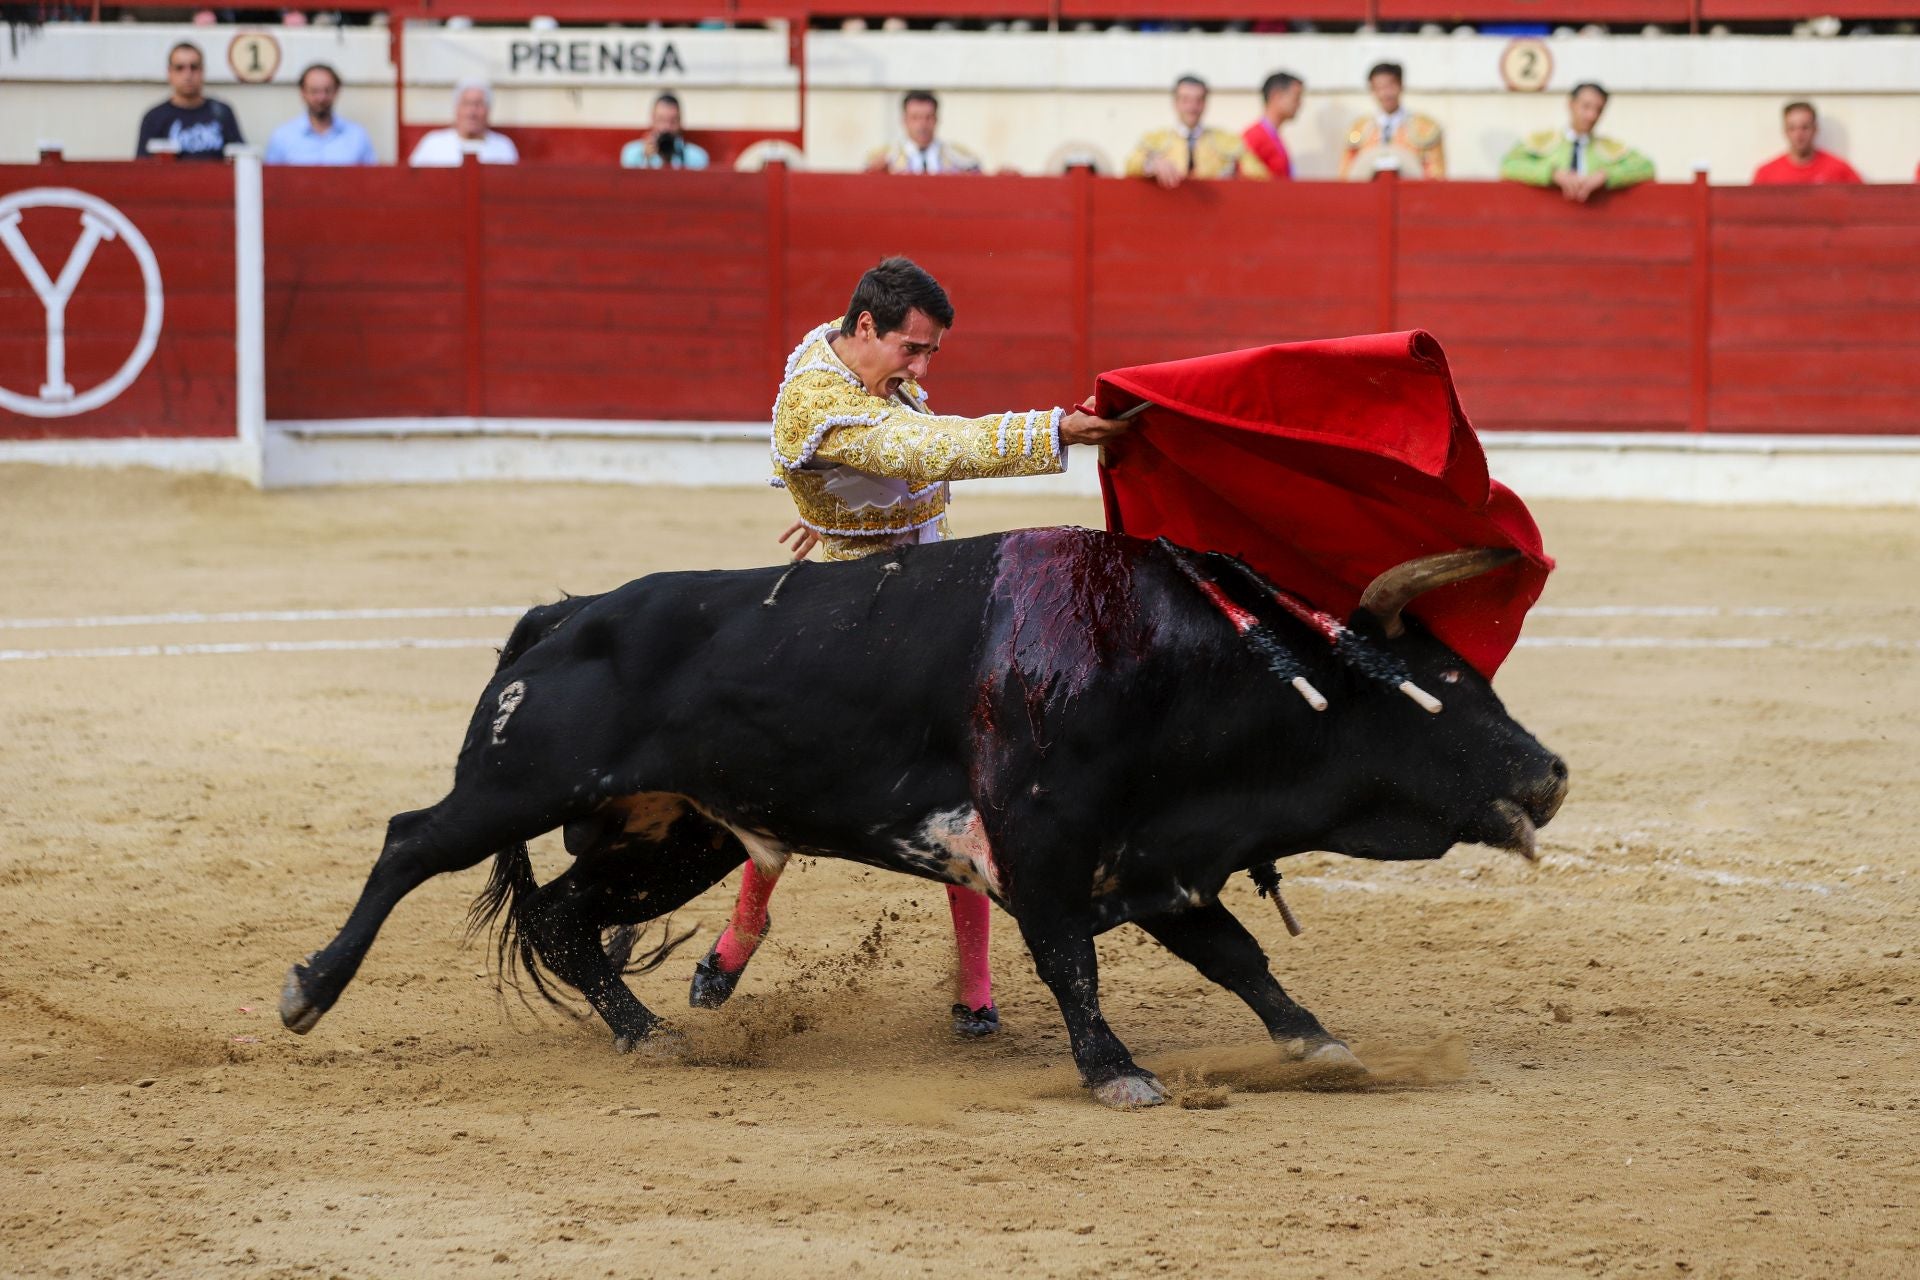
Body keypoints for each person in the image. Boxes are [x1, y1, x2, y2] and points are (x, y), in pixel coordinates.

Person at [693, 257, 1132, 1036]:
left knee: (971, 772)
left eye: (930, 353)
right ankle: (743, 931)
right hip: (851, 604)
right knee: (779, 774)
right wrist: (1055, 430)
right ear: (866, 327)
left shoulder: (842, 351)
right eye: (912, 350)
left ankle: (976, 981)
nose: (921, 367)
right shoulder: (816, 400)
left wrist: (825, 506)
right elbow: (926, 450)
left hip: (925, 578)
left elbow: (900, 446)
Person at [1501, 82, 1653, 202]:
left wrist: (1605, 176)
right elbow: (1508, 165)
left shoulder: (1608, 147)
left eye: (1598, 110)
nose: (1591, 115)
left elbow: (1647, 167)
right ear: (1571, 104)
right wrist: (1552, 174)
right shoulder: (1545, 140)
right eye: (1586, 106)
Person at [1125, 75, 1267, 188]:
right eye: (1185, 100)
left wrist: (1237, 173)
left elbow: (1260, 175)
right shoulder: (1155, 139)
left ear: (1205, 103)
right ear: (1175, 103)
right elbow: (1130, 165)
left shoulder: (1227, 140)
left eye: (1198, 100)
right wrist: (1151, 164)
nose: (1192, 107)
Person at [136, 41, 244, 161]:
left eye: (194, 67)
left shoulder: (223, 112)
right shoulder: (154, 118)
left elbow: (240, 158)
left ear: (202, 71)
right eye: (179, 68)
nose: (188, 75)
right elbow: (142, 170)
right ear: (169, 73)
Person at [1338, 62, 1444, 181]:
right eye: (1379, 88)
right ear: (1372, 90)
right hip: (1367, 196)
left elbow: (1436, 176)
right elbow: (1346, 176)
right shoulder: (1358, 129)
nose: (1385, 93)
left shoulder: (1425, 128)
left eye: (1390, 86)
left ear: (1401, 86)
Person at [264, 63, 377, 166]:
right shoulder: (282, 137)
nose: (321, 98)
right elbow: (272, 183)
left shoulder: (357, 136)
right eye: (314, 91)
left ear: (337, 91)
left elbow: (371, 181)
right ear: (303, 93)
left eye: (327, 90)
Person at [866, 90, 982, 175]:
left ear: (936, 119)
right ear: (904, 120)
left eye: (928, 117)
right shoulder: (882, 158)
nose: (922, 125)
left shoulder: (961, 158)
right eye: (915, 118)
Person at [408, 81, 519, 167]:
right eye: (466, 104)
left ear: (488, 110)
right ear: (456, 109)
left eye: (478, 104)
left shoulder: (503, 147)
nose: (471, 112)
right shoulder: (432, 144)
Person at [1752, 102, 1862, 185]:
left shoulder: (1839, 170)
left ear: (1815, 129)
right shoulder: (1766, 175)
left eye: (1805, 128)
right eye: (1792, 128)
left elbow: (1863, 202)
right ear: (1785, 131)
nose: (1799, 135)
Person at [620, 93, 710, 171]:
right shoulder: (632, 153)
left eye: (673, 121)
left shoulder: (697, 157)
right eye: (661, 120)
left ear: (680, 122)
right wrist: (645, 160)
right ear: (652, 120)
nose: (666, 127)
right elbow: (631, 185)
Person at [1241, 71, 1304, 180]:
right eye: (1296, 97)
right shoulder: (1254, 137)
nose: (1299, 104)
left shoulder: (1273, 136)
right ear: (1276, 96)